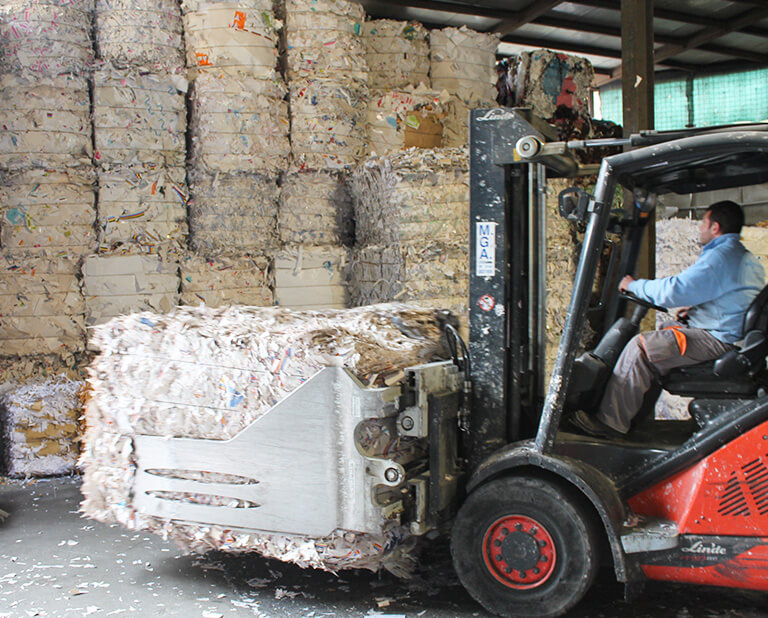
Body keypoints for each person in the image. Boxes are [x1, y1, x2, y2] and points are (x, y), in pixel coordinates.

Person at [571, 200, 766, 438]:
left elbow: (673, 290)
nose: (700, 228)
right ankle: (635, 421)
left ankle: (611, 425)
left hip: (719, 340)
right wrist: (695, 311)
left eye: (703, 223)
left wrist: (634, 285)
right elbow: (728, 298)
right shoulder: (740, 256)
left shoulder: (722, 257)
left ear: (715, 227)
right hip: (727, 335)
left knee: (641, 348)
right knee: (664, 333)